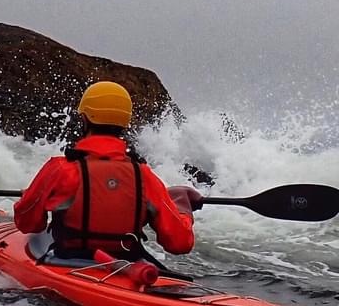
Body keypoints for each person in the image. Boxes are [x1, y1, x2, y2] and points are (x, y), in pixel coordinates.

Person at [13, 81, 203, 261]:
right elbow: (180, 243)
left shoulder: (60, 169)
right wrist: (182, 208)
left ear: (85, 118)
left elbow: (27, 224)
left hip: (68, 262)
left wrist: (29, 199)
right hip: (124, 264)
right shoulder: (144, 175)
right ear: (125, 122)